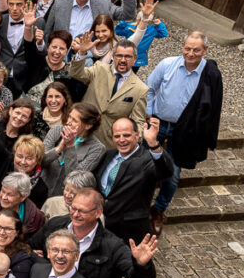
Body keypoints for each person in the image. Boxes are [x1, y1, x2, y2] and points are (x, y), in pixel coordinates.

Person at [146, 31, 223, 236]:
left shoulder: (210, 74)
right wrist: (148, 114)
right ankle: (138, 202)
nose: (191, 53)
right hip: (158, 123)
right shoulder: (166, 64)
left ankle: (158, 209)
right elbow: (149, 89)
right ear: (182, 46)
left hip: (184, 129)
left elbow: (213, 107)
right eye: (187, 48)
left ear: (205, 50)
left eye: (196, 50)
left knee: (172, 174)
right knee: (143, 164)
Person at [97, 117, 174, 244]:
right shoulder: (108, 155)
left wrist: (153, 145)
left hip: (129, 230)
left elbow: (165, 171)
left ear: (137, 135)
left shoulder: (147, 159)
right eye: (117, 136)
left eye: (126, 135)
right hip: (102, 224)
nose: (121, 140)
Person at [70, 38, 148, 148]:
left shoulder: (140, 89)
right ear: (112, 56)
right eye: (119, 55)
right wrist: (82, 52)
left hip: (107, 143)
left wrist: (133, 139)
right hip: (81, 132)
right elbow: (76, 73)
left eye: (128, 56)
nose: (123, 60)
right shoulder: (99, 68)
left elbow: (138, 121)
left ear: (135, 59)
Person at [41, 102, 106, 197]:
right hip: (41, 188)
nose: (68, 122)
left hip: (64, 197)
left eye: (74, 120)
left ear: (88, 125)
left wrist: (70, 146)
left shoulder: (97, 148)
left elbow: (75, 179)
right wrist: (59, 149)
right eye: (69, 117)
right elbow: (40, 161)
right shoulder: (56, 130)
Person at [0, 0, 43, 93]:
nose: (15, 8)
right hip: (0, 77)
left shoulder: (38, 23)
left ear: (26, 4)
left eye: (19, 4)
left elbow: (41, 53)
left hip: (24, 78)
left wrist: (40, 43)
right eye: (11, 4)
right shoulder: (1, 21)